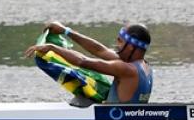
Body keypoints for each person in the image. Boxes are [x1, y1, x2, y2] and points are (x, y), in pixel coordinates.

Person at [25, 22, 154, 105]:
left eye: (120, 41)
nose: (117, 45)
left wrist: (52, 48)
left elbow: (82, 61)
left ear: (131, 47)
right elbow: (99, 50)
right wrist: (66, 31)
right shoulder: (144, 66)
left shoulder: (125, 69)